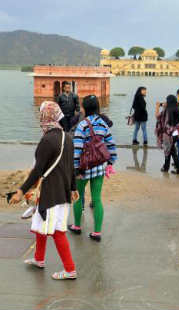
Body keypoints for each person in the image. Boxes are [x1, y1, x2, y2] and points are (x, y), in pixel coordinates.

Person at [9, 101, 78, 280]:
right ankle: (39, 259)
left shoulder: (47, 140)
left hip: (50, 192)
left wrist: (21, 191)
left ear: (44, 116)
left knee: (57, 232)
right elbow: (71, 167)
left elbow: (37, 171)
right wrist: (73, 188)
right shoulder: (67, 137)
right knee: (40, 224)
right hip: (61, 190)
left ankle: (70, 270)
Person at [69, 95, 118, 242]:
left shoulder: (82, 125)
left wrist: (76, 168)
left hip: (83, 168)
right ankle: (97, 232)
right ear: (98, 107)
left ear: (84, 108)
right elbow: (111, 145)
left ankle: (77, 227)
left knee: (78, 197)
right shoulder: (103, 124)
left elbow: (77, 148)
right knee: (97, 199)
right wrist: (110, 162)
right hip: (99, 168)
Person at [155, 95, 179, 174]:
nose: (165, 102)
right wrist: (173, 128)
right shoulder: (177, 110)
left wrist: (157, 107)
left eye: (167, 100)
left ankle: (166, 168)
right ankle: (178, 169)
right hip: (175, 134)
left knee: (167, 151)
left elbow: (158, 117)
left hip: (168, 134)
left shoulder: (166, 111)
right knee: (172, 151)